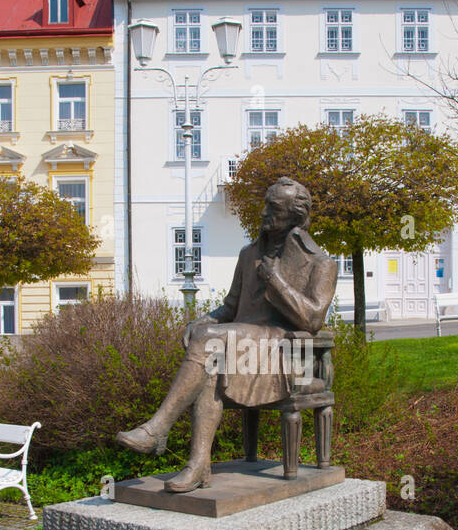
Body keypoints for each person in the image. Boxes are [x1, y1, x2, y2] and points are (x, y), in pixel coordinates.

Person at [116, 177, 337, 492]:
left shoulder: (320, 263)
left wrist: (275, 281)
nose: (263, 213)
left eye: (273, 208)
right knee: (209, 367)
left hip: (282, 352)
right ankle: (197, 466)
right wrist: (203, 320)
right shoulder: (249, 255)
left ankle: (158, 428)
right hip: (242, 348)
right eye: (265, 204)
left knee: (211, 342)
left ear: (294, 217)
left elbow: (312, 319)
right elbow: (230, 307)